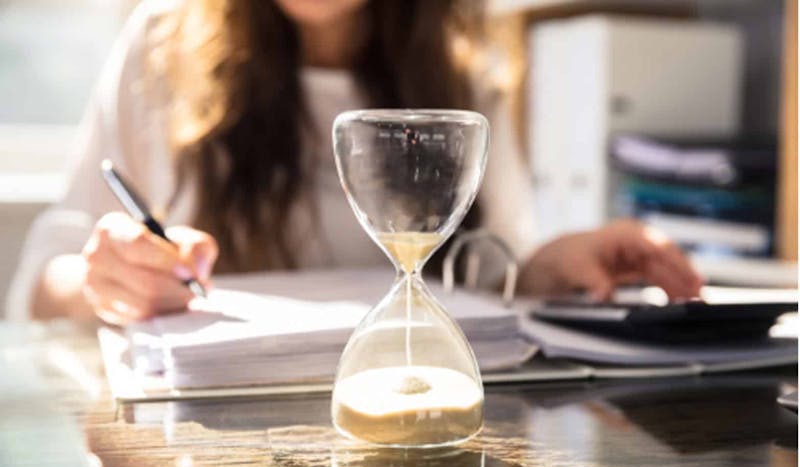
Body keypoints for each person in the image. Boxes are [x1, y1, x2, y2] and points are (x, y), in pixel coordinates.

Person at [7, 0, 702, 326]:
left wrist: (545, 266)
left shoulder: (464, 65)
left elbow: (492, 266)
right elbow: (47, 270)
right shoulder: (160, 44)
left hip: (412, 408)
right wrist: (104, 280)